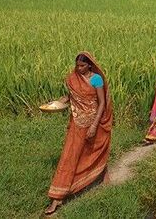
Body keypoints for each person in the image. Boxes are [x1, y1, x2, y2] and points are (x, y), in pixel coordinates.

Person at [45, 52, 112, 216]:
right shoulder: (73, 78)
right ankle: (57, 197)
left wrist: (94, 125)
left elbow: (101, 103)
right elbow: (73, 96)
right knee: (70, 156)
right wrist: (63, 100)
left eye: (82, 66)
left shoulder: (96, 79)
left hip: (93, 121)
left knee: (94, 150)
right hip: (77, 122)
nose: (79, 68)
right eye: (77, 66)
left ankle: (102, 173)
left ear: (89, 65)